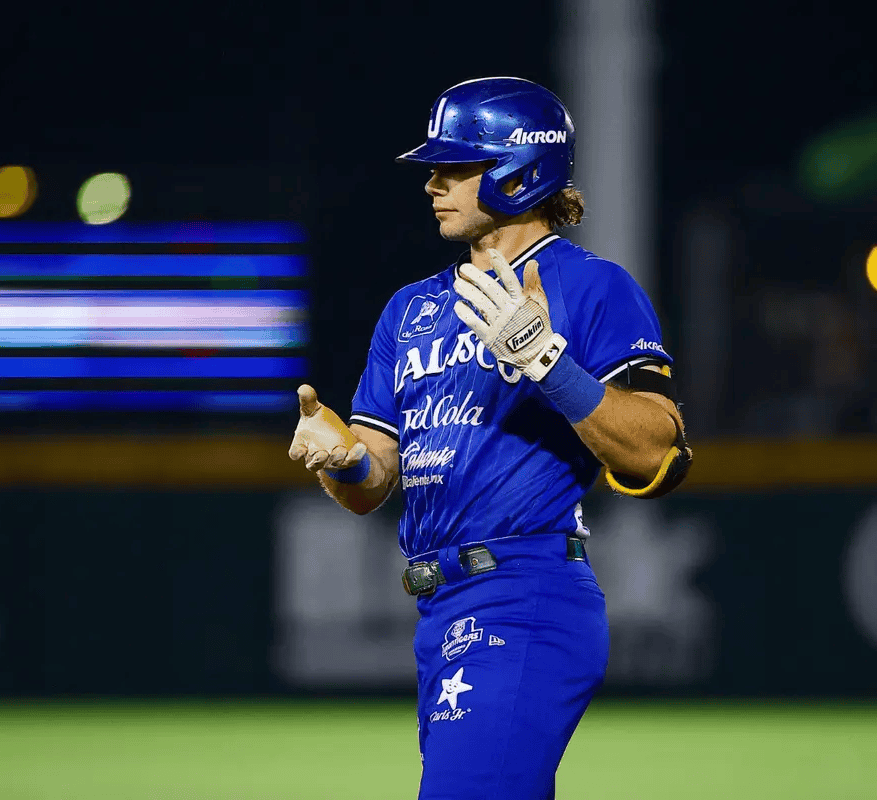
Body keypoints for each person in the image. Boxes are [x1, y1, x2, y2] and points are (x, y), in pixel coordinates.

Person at [287, 76, 692, 799]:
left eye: (456, 166)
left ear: (519, 167)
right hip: (441, 611)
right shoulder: (410, 309)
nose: (433, 183)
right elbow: (372, 481)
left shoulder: (589, 286)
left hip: (525, 595)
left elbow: (661, 449)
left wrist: (547, 362)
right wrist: (341, 456)